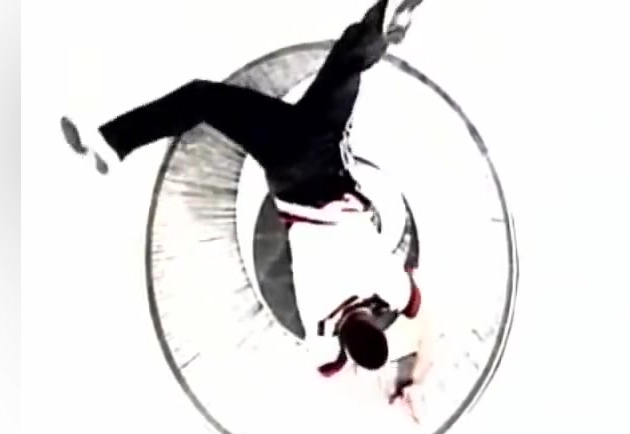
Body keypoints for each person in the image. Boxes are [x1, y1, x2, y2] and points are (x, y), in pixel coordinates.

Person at [60, 0, 434, 407]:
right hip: (285, 169)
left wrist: (415, 376)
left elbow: (424, 322)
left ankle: (382, 25)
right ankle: (109, 145)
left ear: (373, 317)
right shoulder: (319, 329)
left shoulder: (384, 280)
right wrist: (391, 387)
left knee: (346, 63)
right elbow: (332, 371)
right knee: (203, 97)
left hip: (322, 153)